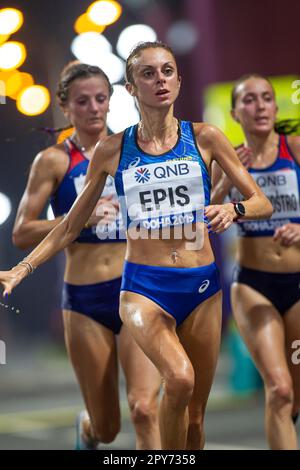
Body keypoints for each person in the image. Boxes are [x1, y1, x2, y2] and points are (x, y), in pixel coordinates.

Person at [0, 43, 272, 450]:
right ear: (131, 87)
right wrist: (22, 269)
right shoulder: (112, 151)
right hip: (141, 287)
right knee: (176, 379)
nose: (160, 80)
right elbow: (70, 225)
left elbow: (259, 203)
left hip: (201, 285)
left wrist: (232, 208)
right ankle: (104, 435)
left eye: (167, 71)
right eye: (148, 73)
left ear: (179, 80)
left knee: (193, 418)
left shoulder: (206, 136)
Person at [10, 61, 161, 450]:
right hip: (85, 300)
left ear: (111, 102)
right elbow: (22, 232)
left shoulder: (134, 150)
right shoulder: (54, 161)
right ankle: (88, 430)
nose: (94, 108)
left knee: (145, 408)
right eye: (83, 101)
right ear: (66, 107)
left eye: (100, 99)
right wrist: (77, 218)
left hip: (137, 291)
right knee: (107, 427)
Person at [211, 74, 300, 450]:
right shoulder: (228, 159)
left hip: (297, 285)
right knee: (278, 389)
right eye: (249, 100)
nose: (260, 105)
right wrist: (225, 186)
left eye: (266, 98)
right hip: (252, 285)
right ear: (235, 112)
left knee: (294, 392)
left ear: (275, 108)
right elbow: (203, 225)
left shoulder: (294, 148)